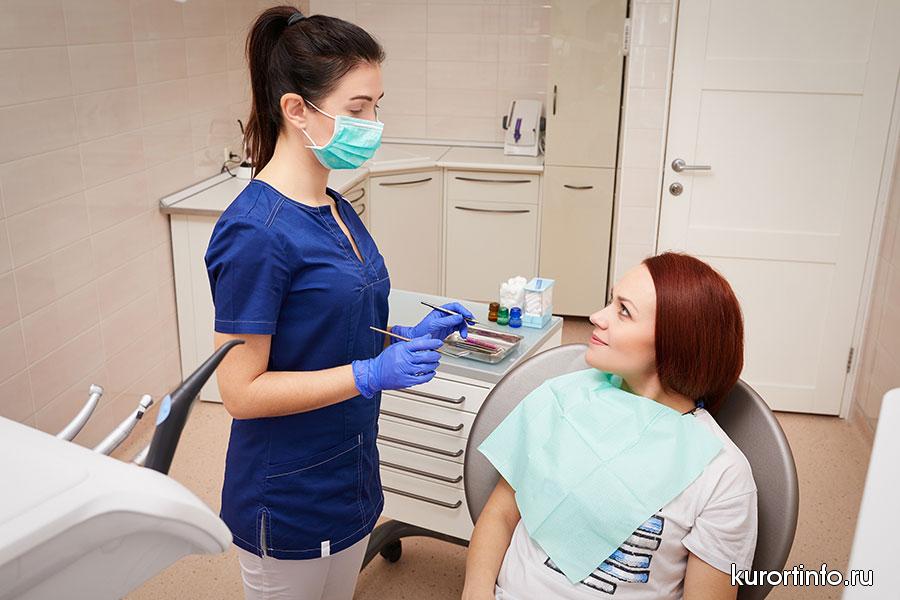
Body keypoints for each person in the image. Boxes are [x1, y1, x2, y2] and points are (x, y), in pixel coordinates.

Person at [204, 7, 473, 600]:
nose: (373, 124)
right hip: (287, 492)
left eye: (377, 106)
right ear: (296, 109)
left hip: (350, 472)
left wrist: (406, 336)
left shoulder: (334, 203)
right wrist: (370, 373)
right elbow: (241, 393)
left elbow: (330, 323)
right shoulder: (255, 233)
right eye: (357, 109)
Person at [463, 252, 758, 600]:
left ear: (674, 342)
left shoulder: (723, 475)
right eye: (611, 301)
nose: (596, 317)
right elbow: (501, 513)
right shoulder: (563, 398)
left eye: (624, 311)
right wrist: (475, 593)